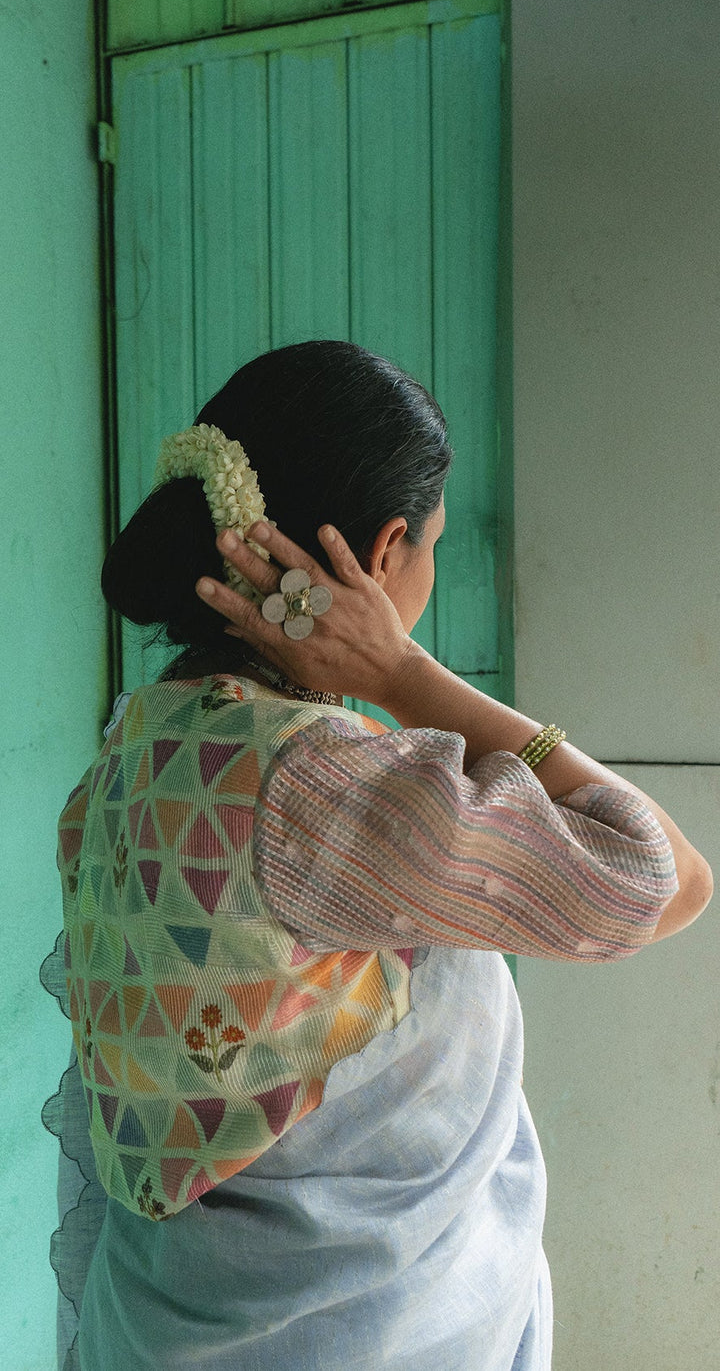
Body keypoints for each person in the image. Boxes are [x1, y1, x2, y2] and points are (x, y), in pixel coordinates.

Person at [41, 341, 712, 1370]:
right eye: (433, 543)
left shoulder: (139, 745)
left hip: (159, 1323)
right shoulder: (319, 784)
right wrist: (402, 675)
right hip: (354, 1339)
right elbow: (662, 881)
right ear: (388, 549)